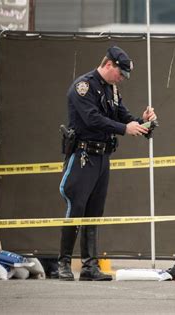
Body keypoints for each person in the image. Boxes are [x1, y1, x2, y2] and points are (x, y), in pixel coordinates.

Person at [58, 46, 157, 281]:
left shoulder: (111, 89)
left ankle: (89, 266)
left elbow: (122, 115)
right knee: (76, 209)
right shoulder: (84, 87)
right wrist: (125, 129)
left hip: (102, 158)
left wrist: (143, 122)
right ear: (109, 64)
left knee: (94, 212)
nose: (121, 79)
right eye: (120, 73)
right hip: (83, 155)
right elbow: (92, 119)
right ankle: (62, 263)